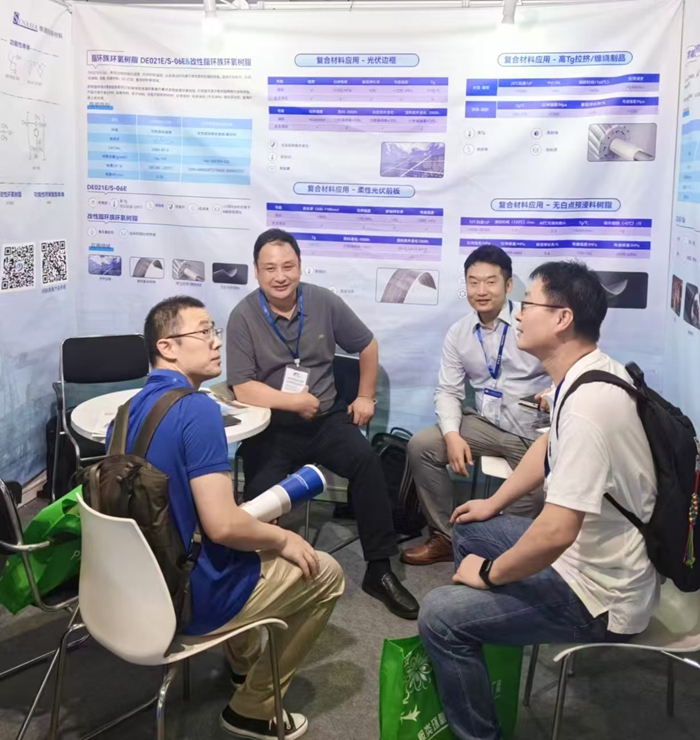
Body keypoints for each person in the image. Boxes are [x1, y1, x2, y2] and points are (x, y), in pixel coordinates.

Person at [418, 261, 659, 740]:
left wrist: (490, 574)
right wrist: (493, 503)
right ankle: (487, 636)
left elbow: (555, 532)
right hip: (584, 558)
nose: (519, 314)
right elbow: (546, 445)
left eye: (528, 304)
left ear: (562, 319)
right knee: (470, 526)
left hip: (599, 594)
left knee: (440, 616)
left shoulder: (589, 407)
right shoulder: (587, 373)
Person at [107, 296, 345, 740]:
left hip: (130, 589)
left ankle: (243, 665)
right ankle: (252, 709)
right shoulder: (197, 410)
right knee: (325, 571)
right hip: (186, 597)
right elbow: (222, 526)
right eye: (203, 332)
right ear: (167, 346)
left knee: (246, 540)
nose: (216, 342)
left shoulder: (123, 414)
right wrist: (284, 540)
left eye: (213, 330)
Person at [226, 228, 419, 620]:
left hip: (326, 419)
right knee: (260, 494)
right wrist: (292, 402)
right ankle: (260, 575)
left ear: (300, 266)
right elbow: (243, 387)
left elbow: (367, 345)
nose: (280, 276)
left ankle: (379, 569)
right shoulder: (243, 316)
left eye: (288, 266)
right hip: (272, 427)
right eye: (270, 268)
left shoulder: (323, 301)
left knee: (366, 462)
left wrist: (365, 396)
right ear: (256, 271)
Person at [402, 245, 550, 566]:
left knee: (529, 506)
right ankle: (444, 537)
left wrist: (552, 394)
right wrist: (452, 435)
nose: (481, 290)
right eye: (474, 282)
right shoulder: (459, 333)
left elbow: (566, 370)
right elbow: (448, 390)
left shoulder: (532, 322)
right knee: (423, 446)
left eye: (490, 282)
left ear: (508, 285)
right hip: (484, 424)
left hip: (529, 432)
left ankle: (502, 552)